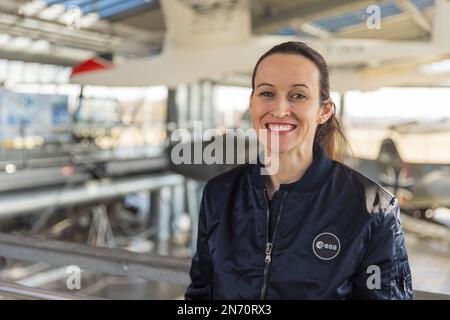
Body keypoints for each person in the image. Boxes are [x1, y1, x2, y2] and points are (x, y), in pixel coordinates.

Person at [185, 41, 413, 300]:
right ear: (252, 103)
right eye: (267, 93)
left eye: (298, 96)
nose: (280, 110)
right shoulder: (219, 194)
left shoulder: (372, 209)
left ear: (324, 110)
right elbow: (200, 294)